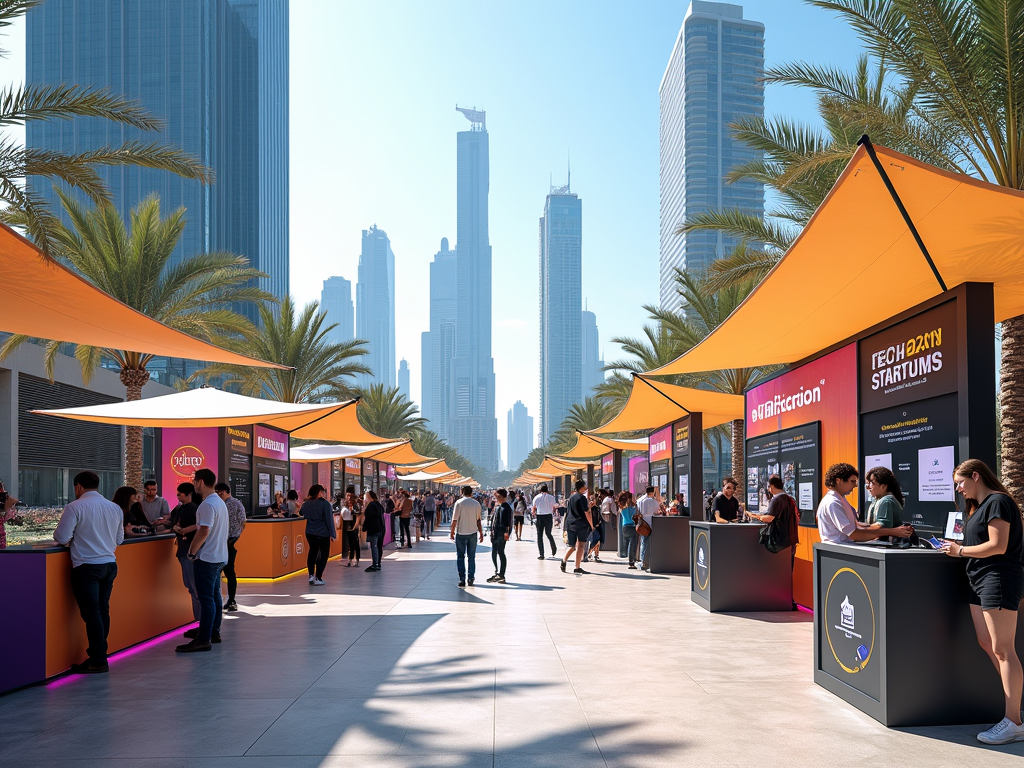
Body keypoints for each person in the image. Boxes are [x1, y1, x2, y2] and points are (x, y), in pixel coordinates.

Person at [942, 459, 1024, 745]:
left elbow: (998, 545)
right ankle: (1013, 705)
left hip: (998, 580)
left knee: (1003, 650)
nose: (958, 489)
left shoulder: (998, 502)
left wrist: (959, 550)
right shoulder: (977, 507)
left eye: (960, 483)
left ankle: (1014, 721)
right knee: (986, 643)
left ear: (975, 475)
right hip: (979, 579)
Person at [52, 471, 124, 673]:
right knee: (102, 610)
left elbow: (62, 536)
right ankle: (99, 654)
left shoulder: (75, 507)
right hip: (110, 565)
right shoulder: (115, 508)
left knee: (92, 614)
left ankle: (98, 660)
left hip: (86, 566)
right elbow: (119, 539)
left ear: (78, 487)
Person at [177, 468, 229, 653]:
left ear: (200, 482)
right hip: (219, 556)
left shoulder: (207, 505)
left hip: (207, 558)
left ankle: (204, 638)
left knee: (207, 599)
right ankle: (212, 632)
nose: (193, 484)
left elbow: (204, 530)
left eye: (194, 481)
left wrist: (192, 552)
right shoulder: (219, 502)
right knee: (214, 597)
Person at [816, 463, 914, 544]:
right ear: (838, 481)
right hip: (840, 548)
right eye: (852, 481)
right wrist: (895, 531)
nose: (855, 485)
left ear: (884, 486)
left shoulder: (837, 500)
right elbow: (854, 534)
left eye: (871, 483)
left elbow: (857, 528)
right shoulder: (833, 503)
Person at [748, 474, 800, 608]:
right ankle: (789, 600)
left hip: (779, 541)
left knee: (779, 573)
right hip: (790, 540)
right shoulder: (789, 499)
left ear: (771, 487)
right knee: (788, 571)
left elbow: (769, 518)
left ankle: (782, 600)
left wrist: (757, 517)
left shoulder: (777, 500)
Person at [169, 483, 201, 624]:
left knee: (194, 588)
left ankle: (201, 624)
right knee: (192, 588)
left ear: (188, 494)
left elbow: (203, 527)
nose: (178, 497)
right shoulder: (181, 508)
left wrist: (184, 530)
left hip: (190, 552)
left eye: (180, 494)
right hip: (186, 551)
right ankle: (200, 624)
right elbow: (173, 523)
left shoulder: (194, 509)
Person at [215, 482, 246, 612]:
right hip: (222, 540)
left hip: (229, 540)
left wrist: (235, 537)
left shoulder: (235, 503)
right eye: (217, 492)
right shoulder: (218, 503)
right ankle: (226, 600)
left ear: (227, 492)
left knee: (228, 571)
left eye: (221, 492)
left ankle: (231, 599)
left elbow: (243, 521)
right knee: (224, 571)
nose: (219, 494)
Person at [301, 484, 336, 586]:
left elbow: (302, 513)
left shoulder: (306, 504)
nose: (325, 494)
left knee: (312, 552)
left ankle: (311, 575)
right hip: (323, 533)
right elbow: (329, 520)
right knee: (324, 555)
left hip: (310, 532)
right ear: (320, 492)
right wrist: (333, 534)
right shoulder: (325, 504)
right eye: (324, 492)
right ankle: (318, 577)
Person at [450, 485, 483, 587]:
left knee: (460, 556)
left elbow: (454, 519)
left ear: (462, 492)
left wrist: (452, 531)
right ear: (471, 493)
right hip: (473, 533)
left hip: (461, 533)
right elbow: (478, 520)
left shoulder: (459, 503)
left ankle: (462, 578)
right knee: (471, 556)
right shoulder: (476, 504)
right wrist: (481, 533)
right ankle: (471, 577)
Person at [561, 480, 593, 575]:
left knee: (572, 546)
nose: (586, 487)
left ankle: (564, 560)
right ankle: (577, 567)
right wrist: (591, 525)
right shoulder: (582, 498)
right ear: (582, 487)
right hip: (581, 524)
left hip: (571, 523)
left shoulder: (572, 497)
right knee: (581, 545)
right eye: (585, 485)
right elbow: (587, 512)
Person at [864, 466, 904, 537]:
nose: (868, 487)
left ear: (883, 486)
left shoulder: (886, 501)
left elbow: (882, 525)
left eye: (872, 483)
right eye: (868, 483)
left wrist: (859, 530)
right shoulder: (878, 500)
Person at [488, 489, 513, 583]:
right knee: (495, 552)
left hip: (501, 533)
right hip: (496, 533)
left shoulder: (506, 508)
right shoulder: (499, 506)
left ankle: (502, 574)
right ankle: (497, 572)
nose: (496, 498)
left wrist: (506, 533)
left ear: (503, 497)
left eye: (498, 497)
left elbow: (507, 522)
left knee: (501, 553)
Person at [531, 484, 558, 559]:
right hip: (548, 516)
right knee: (548, 533)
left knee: (539, 535)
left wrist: (533, 514)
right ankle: (553, 547)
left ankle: (541, 554)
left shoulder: (536, 497)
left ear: (540, 490)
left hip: (540, 516)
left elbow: (534, 508)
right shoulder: (551, 497)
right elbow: (554, 506)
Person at [636, 486, 660, 571]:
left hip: (643, 524)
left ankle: (643, 561)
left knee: (643, 542)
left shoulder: (640, 500)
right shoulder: (654, 502)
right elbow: (657, 512)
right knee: (650, 543)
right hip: (652, 524)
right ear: (652, 492)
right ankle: (648, 561)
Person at [362, 490, 386, 572]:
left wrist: (364, 528)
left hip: (374, 529)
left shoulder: (371, 506)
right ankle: (378, 563)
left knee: (374, 547)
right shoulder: (379, 505)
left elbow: (369, 518)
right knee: (379, 546)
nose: (364, 499)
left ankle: (375, 564)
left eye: (365, 497)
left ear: (369, 497)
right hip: (381, 528)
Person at [341, 491, 363, 567]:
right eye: (347, 496)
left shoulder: (355, 506)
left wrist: (355, 526)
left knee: (355, 542)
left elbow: (358, 517)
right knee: (350, 543)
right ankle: (350, 560)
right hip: (346, 524)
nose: (348, 498)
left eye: (350, 496)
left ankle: (356, 559)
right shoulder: (344, 505)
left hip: (353, 524)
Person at [618, 491, 638, 569]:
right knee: (633, 545)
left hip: (624, 527)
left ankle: (625, 554)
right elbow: (633, 517)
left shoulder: (622, 508)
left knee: (627, 542)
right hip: (632, 526)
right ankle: (631, 562)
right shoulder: (632, 508)